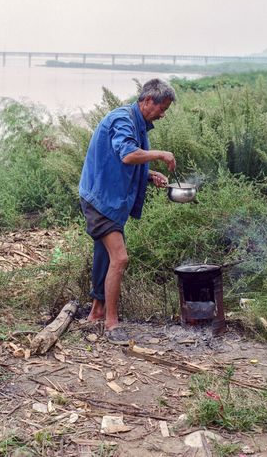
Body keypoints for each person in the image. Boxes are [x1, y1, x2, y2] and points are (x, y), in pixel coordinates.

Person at [78, 78, 176, 344]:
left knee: (105, 257)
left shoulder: (138, 123)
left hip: (112, 201)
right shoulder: (122, 119)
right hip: (100, 200)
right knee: (120, 258)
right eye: (162, 109)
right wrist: (161, 154)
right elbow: (127, 154)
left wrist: (149, 174)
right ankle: (112, 324)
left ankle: (96, 313)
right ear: (147, 101)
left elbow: (125, 160)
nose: (163, 115)